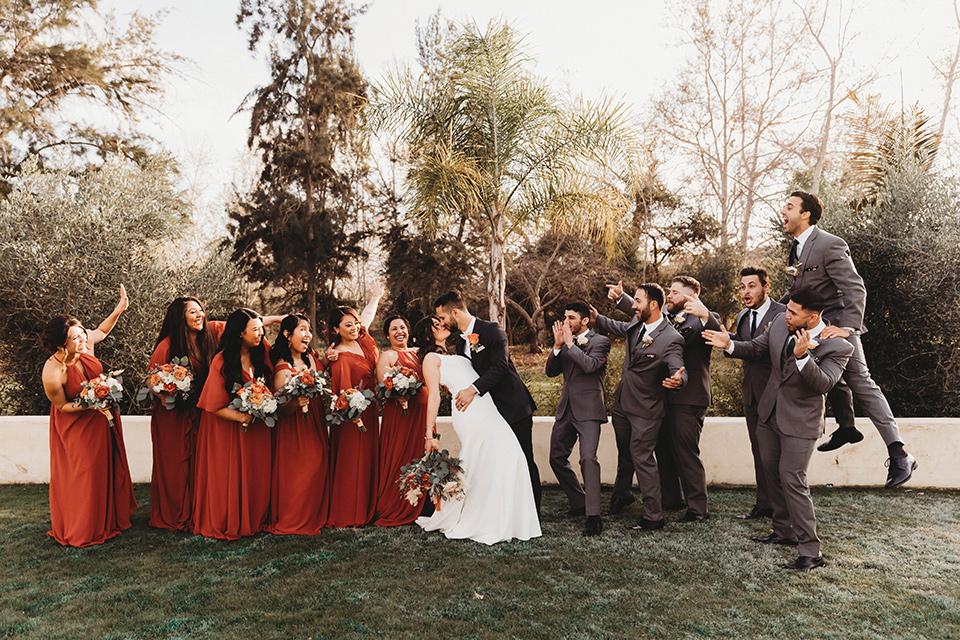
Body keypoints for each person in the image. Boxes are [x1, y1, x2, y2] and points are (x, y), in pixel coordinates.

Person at [704, 288, 854, 571]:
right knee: (771, 473)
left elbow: (823, 384)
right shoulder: (778, 326)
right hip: (768, 414)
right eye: (787, 309)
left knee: (792, 479)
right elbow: (757, 348)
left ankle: (811, 552)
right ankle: (783, 530)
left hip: (801, 422)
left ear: (811, 318)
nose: (785, 315)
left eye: (792, 313)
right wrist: (729, 344)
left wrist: (802, 358)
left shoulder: (838, 346)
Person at [780, 191, 916, 488]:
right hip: (816, 328)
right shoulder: (797, 248)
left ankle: (900, 454)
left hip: (838, 328)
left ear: (806, 214)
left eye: (789, 207)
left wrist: (847, 328)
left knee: (862, 384)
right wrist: (766, 313)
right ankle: (846, 427)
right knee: (836, 380)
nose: (783, 211)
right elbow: (796, 294)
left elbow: (856, 289)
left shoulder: (830, 244)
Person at [413, 316, 541, 545]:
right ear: (426, 334)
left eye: (441, 321)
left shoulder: (459, 349)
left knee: (511, 457)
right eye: (436, 324)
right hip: (469, 413)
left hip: (489, 409)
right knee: (485, 458)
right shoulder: (431, 358)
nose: (443, 325)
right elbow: (433, 396)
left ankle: (508, 517)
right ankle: (478, 518)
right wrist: (429, 433)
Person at [41, 285, 138, 547]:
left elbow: (103, 330)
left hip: (102, 419)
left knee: (102, 470)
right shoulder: (53, 372)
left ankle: (107, 520)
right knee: (82, 475)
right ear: (62, 344)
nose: (84, 338)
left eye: (83, 332)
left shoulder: (86, 343)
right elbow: (62, 407)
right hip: (75, 425)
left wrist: (119, 309)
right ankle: (83, 528)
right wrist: (91, 402)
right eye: (76, 337)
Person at [434, 290, 541, 515]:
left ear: (455, 312)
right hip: (490, 413)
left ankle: (532, 513)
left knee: (523, 459)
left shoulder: (492, 330)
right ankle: (506, 511)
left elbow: (500, 367)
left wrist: (472, 390)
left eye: (443, 318)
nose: (442, 323)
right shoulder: (460, 343)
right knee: (501, 461)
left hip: (513, 407)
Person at [590, 283, 686, 532]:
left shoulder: (672, 338)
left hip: (647, 409)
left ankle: (654, 516)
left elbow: (678, 367)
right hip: (623, 404)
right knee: (625, 454)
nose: (633, 306)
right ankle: (622, 495)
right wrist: (596, 318)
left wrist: (678, 379)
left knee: (642, 458)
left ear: (653, 305)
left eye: (637, 301)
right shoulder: (637, 324)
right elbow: (619, 327)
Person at [146, 297, 226, 532]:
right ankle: (176, 514)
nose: (200, 314)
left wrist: (278, 320)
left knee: (200, 462)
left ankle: (199, 511)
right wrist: (164, 394)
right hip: (172, 418)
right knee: (176, 465)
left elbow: (244, 324)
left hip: (200, 414)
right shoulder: (167, 346)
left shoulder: (209, 334)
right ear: (180, 317)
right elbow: (151, 379)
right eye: (193, 311)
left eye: (201, 310)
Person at [193, 308, 273, 540]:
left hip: (256, 430)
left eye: (261, 328)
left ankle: (255, 517)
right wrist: (240, 416)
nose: (260, 334)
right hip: (229, 430)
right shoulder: (222, 360)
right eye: (255, 330)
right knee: (230, 475)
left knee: (255, 473)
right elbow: (212, 404)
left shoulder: (262, 352)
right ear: (240, 333)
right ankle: (229, 519)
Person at [658, 275, 722, 523]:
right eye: (669, 291)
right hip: (664, 395)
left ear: (690, 296)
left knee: (686, 453)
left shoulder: (704, 319)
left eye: (674, 292)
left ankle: (697, 508)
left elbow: (715, 335)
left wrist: (706, 314)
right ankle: (672, 498)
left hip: (690, 396)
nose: (670, 296)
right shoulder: (668, 317)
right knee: (663, 449)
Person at [545, 301, 611, 537]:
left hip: (590, 411)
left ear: (585, 321)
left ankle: (593, 517)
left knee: (588, 459)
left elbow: (590, 366)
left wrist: (570, 345)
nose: (566, 322)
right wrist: (556, 346)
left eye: (571, 318)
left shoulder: (601, 342)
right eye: (565, 317)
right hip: (566, 409)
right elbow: (551, 372)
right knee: (556, 458)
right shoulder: (564, 342)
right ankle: (579, 502)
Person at [324, 281, 384, 528]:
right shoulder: (336, 353)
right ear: (336, 329)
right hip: (350, 416)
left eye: (355, 323)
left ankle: (369, 506)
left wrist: (376, 297)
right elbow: (333, 384)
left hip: (370, 411)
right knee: (351, 460)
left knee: (369, 457)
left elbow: (366, 317)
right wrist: (325, 360)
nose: (354, 327)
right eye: (347, 325)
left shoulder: (363, 339)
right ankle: (349, 511)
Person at [267, 314, 330, 535]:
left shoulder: (311, 357)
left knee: (319, 463)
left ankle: (313, 514)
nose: (308, 335)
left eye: (309, 329)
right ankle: (294, 518)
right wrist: (294, 403)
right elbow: (278, 406)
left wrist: (329, 359)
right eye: (302, 329)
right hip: (294, 427)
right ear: (287, 335)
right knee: (300, 471)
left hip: (315, 421)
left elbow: (321, 374)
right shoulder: (282, 367)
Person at [731, 267, 786, 520]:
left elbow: (758, 350)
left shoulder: (782, 315)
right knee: (759, 452)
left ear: (766, 287)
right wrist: (725, 339)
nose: (745, 291)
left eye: (751, 286)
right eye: (742, 286)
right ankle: (763, 504)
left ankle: (782, 508)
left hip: (777, 395)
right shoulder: (743, 315)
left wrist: (730, 344)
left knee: (777, 455)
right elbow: (740, 346)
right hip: (751, 395)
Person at [373, 315, 428, 527]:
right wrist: (398, 394)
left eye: (403, 327)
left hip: (420, 416)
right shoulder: (387, 356)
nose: (399, 332)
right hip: (400, 416)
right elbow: (382, 387)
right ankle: (393, 505)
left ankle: (419, 503)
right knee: (398, 456)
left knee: (419, 456)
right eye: (394, 329)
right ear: (388, 334)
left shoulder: (419, 353)